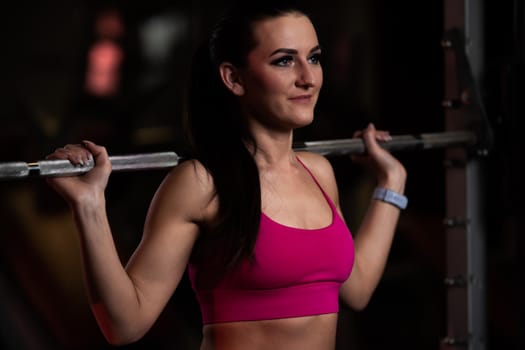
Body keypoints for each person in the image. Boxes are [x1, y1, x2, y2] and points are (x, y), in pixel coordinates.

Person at [46, 1, 407, 349]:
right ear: (233, 78)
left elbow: (355, 289)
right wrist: (89, 205)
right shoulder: (201, 183)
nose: (308, 78)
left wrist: (391, 183)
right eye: (284, 61)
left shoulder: (319, 172)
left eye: (313, 58)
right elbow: (124, 325)